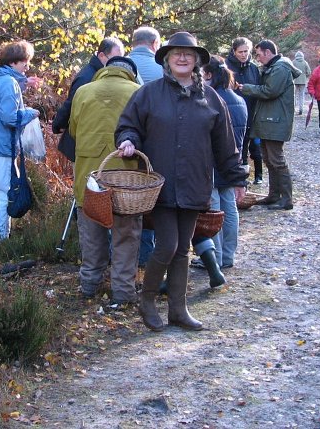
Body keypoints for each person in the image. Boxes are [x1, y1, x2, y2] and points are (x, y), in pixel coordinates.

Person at [116, 32, 247, 332]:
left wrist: (237, 179)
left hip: (195, 184)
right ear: (166, 59)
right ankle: (147, 301)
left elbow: (226, 146)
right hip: (159, 185)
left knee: (182, 248)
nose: (183, 57)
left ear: (198, 60)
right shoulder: (148, 94)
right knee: (167, 245)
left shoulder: (211, 98)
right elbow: (128, 126)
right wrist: (127, 141)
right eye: (176, 53)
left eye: (189, 54)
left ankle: (178, 309)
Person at [69, 56, 142, 304]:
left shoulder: (83, 91)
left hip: (89, 175)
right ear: (130, 73)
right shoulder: (138, 91)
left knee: (91, 233)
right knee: (126, 235)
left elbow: (73, 129)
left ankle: (89, 285)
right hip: (126, 177)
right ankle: (122, 292)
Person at [0, 40, 40, 240]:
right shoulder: (8, 82)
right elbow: (9, 116)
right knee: (5, 191)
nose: (27, 66)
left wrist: (24, 83)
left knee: (1, 184)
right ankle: (1, 236)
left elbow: (8, 94)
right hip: (0, 144)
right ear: (13, 63)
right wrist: (31, 112)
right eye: (24, 62)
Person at [238, 39, 300, 211]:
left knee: (277, 160)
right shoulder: (274, 67)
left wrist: (246, 88)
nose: (257, 58)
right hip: (270, 121)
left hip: (276, 121)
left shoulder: (280, 68)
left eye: (258, 54)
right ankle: (274, 195)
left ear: (267, 52)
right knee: (269, 159)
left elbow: (269, 91)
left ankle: (286, 199)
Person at [200, 57, 248, 273]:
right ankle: (228, 255)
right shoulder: (239, 100)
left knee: (214, 211)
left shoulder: (210, 100)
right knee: (230, 209)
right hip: (232, 161)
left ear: (208, 75)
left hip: (212, 163)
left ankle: (215, 258)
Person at [51, 37, 124, 162]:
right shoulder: (87, 77)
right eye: (114, 59)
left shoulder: (99, 74)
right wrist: (58, 125)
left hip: (92, 144)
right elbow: (72, 105)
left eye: (121, 59)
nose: (118, 64)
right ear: (101, 55)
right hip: (82, 145)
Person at [127, 26, 163, 267]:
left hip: (125, 145)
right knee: (154, 200)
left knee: (128, 202)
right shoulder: (163, 69)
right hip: (156, 146)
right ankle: (149, 255)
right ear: (155, 43)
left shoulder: (118, 65)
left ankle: (124, 254)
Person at [225, 37, 263, 185]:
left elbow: (259, 88)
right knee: (239, 147)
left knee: (255, 145)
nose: (243, 54)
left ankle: (258, 175)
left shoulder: (253, 68)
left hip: (252, 110)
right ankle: (240, 179)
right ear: (234, 51)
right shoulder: (227, 66)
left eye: (246, 51)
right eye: (240, 51)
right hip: (233, 113)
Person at [292, 51, 312, 115]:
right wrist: (305, 76)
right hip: (303, 81)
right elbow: (309, 72)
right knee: (301, 95)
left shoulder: (293, 62)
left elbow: (290, 71)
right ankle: (301, 109)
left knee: (294, 96)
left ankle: (293, 109)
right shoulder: (305, 62)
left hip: (295, 81)